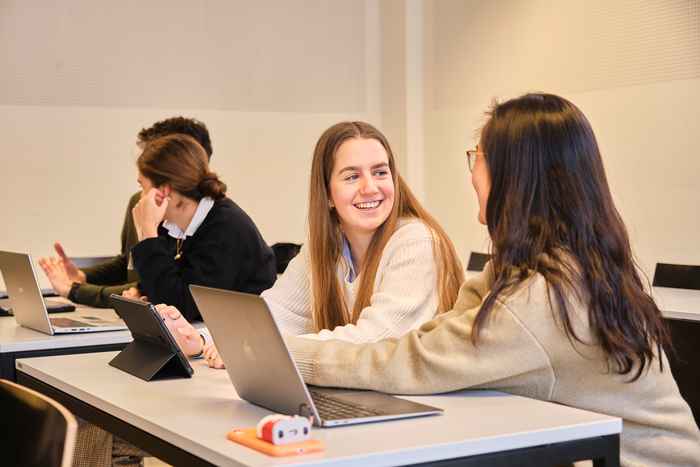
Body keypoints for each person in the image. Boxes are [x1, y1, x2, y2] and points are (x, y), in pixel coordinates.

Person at [281, 94, 700, 466]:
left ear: (513, 177)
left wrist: (287, 355)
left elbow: (412, 360)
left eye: (476, 158)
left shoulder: (543, 297)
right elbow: (442, 335)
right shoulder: (534, 265)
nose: (471, 174)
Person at [161, 121, 465, 365]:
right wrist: (206, 340)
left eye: (380, 172)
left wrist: (259, 349)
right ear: (328, 194)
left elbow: (376, 340)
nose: (370, 188)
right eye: (351, 177)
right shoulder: (327, 249)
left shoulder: (417, 242)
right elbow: (272, 315)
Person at [38, 116, 214, 308]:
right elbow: (130, 263)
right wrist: (84, 276)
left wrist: (75, 290)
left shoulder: (202, 221)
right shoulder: (142, 204)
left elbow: (153, 287)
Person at [130, 133, 276, 322]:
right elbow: (166, 282)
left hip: (239, 341)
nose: (141, 197)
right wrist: (140, 294)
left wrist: (148, 232)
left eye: (143, 186)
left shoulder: (226, 226)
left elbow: (181, 308)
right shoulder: (173, 226)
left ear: (164, 190)